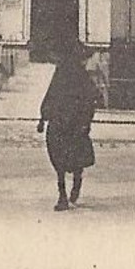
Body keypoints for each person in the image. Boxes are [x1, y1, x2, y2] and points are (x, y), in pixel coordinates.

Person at [38, 41, 99, 210]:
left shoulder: (76, 74)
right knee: (66, 159)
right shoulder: (68, 73)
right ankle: (67, 192)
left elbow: (90, 99)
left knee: (63, 160)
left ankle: (67, 192)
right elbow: (52, 94)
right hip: (64, 122)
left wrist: (42, 117)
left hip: (71, 122)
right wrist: (43, 117)